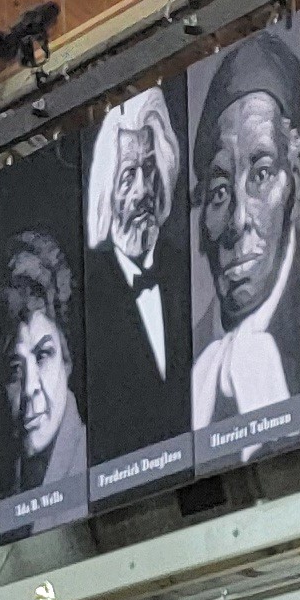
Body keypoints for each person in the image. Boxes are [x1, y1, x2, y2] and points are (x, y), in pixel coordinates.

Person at [190, 28, 300, 428]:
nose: (239, 222)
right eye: (220, 191)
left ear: (296, 177)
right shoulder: (180, 359)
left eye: (261, 175)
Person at [84, 86, 191, 464]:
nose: (143, 190)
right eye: (129, 175)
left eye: (150, 168)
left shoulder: (186, 273)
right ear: (107, 192)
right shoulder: (86, 297)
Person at [0, 230, 86, 496]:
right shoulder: (8, 485)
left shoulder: (94, 461)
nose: (29, 388)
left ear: (66, 359)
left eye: (43, 355)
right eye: (14, 369)